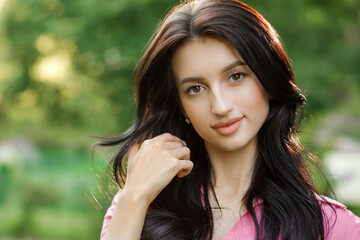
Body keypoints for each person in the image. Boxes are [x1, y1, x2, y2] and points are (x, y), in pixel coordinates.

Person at [97, 0, 360, 239]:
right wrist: (134, 197)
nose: (221, 106)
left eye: (236, 76)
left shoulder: (332, 226)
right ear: (180, 106)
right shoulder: (139, 204)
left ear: (267, 79)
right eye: (195, 89)